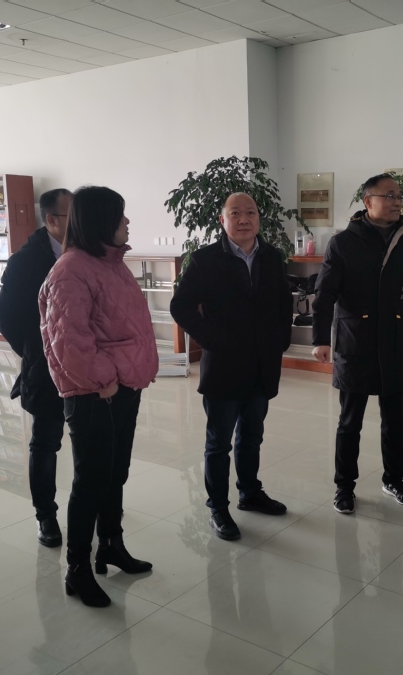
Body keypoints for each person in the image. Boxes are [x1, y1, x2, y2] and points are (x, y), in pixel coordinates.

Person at [39, 186, 159, 607]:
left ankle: (110, 545)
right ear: (100, 221)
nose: (127, 223)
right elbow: (68, 341)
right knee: (90, 482)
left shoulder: (111, 263)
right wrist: (104, 378)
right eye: (120, 216)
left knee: (115, 474)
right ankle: (77, 568)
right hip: (95, 394)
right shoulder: (70, 270)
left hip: (122, 388)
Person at [311, 173, 403, 515]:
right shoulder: (343, 243)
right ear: (368, 202)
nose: (397, 202)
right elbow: (325, 294)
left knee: (394, 421)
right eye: (389, 195)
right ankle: (344, 487)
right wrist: (320, 339)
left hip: (395, 343)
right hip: (355, 343)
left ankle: (394, 479)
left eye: (399, 196)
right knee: (349, 421)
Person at [169, 192, 292, 541]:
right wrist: (211, 340)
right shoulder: (205, 259)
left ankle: (250, 492)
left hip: (262, 364)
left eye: (250, 212)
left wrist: (280, 341)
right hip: (223, 365)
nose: (243, 219)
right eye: (235, 213)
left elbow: (284, 303)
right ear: (222, 220)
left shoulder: (272, 257)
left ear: (259, 218)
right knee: (219, 442)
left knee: (252, 435)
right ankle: (218, 508)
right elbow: (181, 306)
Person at [0, 188, 72, 548]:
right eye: (73, 215)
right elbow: (9, 317)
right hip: (46, 367)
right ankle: (46, 515)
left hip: (88, 368)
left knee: (90, 441)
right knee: (45, 442)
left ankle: (94, 502)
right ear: (52, 220)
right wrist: (35, 353)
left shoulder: (86, 251)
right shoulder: (26, 261)